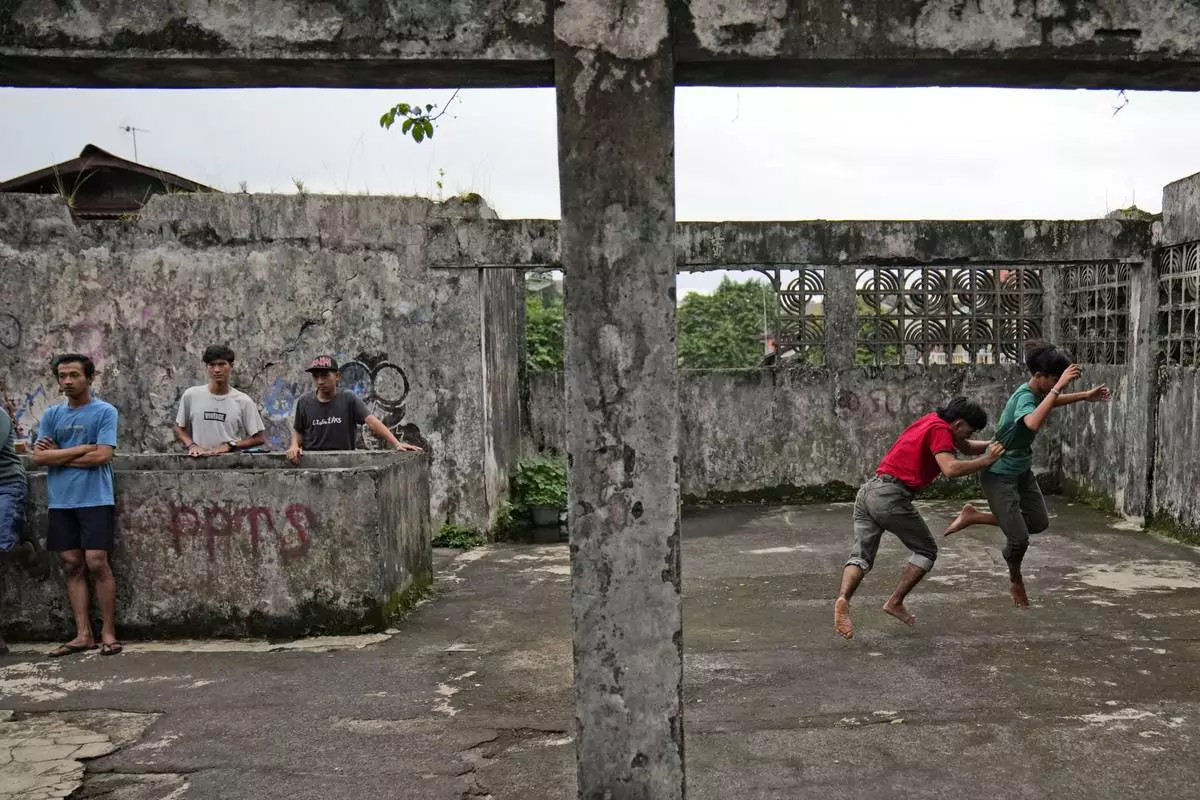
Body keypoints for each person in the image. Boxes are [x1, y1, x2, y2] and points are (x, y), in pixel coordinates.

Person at [944, 341, 1111, 607]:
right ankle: (1015, 579)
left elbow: (1049, 402)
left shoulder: (1037, 393)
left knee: (1038, 523)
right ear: (1039, 376)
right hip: (999, 474)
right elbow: (1032, 421)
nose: (1060, 385)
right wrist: (1058, 388)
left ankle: (973, 515)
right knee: (1019, 538)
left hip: (1021, 470)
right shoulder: (1024, 396)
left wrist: (1083, 395)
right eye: (1056, 380)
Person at [834, 397, 1006, 639]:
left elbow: (966, 447)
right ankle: (895, 601)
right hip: (891, 496)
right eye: (971, 429)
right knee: (926, 551)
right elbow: (951, 468)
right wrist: (987, 460)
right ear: (958, 424)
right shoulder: (941, 430)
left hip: (869, 492)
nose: (971, 434)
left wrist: (997, 444)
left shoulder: (932, 421)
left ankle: (843, 599)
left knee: (860, 556)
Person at [31, 354, 122, 657]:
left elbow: (102, 456)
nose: (67, 381)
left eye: (73, 375)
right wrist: (82, 448)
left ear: (89, 378)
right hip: (62, 502)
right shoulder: (52, 415)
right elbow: (40, 457)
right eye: (62, 376)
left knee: (97, 562)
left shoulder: (105, 412)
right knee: (71, 563)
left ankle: (108, 632)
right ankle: (83, 634)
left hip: (95, 498)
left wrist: (61, 454)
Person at [287, 355, 423, 464]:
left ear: (337, 376)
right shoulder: (304, 402)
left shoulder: (348, 398)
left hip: (343, 465)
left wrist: (396, 443)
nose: (320, 381)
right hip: (313, 465)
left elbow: (371, 421)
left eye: (325, 375)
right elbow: (299, 430)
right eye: (316, 377)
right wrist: (294, 446)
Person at [174, 345, 265, 456]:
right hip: (199, 465)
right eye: (212, 365)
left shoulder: (243, 401)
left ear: (231, 366)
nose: (216, 370)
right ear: (207, 367)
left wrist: (230, 445)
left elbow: (259, 438)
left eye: (222, 364)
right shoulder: (192, 395)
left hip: (232, 465)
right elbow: (179, 428)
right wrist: (192, 445)